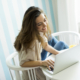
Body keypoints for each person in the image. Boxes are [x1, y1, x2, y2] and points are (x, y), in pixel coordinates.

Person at [14, 6, 68, 80]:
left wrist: (58, 53)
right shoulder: (31, 42)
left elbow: (45, 45)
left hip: (39, 63)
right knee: (61, 44)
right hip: (34, 74)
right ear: (32, 26)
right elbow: (23, 63)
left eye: (45, 20)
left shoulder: (39, 33)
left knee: (52, 40)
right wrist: (42, 62)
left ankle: (68, 55)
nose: (45, 25)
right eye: (39, 24)